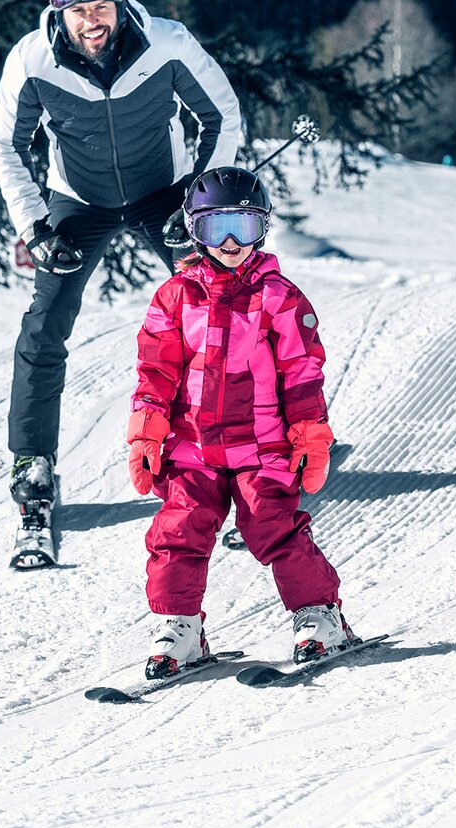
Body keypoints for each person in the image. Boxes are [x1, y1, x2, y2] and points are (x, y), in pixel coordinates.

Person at [0, 0, 244, 567]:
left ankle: (258, 455)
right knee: (44, 325)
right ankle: (33, 467)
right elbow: (4, 142)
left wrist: (197, 201)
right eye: (79, 9)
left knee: (228, 312)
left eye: (101, 4)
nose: (92, 19)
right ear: (60, 13)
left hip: (165, 196)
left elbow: (221, 114)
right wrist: (34, 226)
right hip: (80, 202)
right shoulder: (32, 59)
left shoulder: (168, 43)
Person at [125, 166, 353, 677]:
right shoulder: (175, 297)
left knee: (274, 528)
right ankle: (180, 626)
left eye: (244, 228)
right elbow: (155, 369)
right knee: (177, 531)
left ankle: (319, 615)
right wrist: (148, 430)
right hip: (192, 451)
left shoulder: (281, 298)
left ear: (264, 229)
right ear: (193, 231)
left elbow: (302, 372)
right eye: (216, 228)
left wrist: (310, 435)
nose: (231, 243)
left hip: (262, 449)